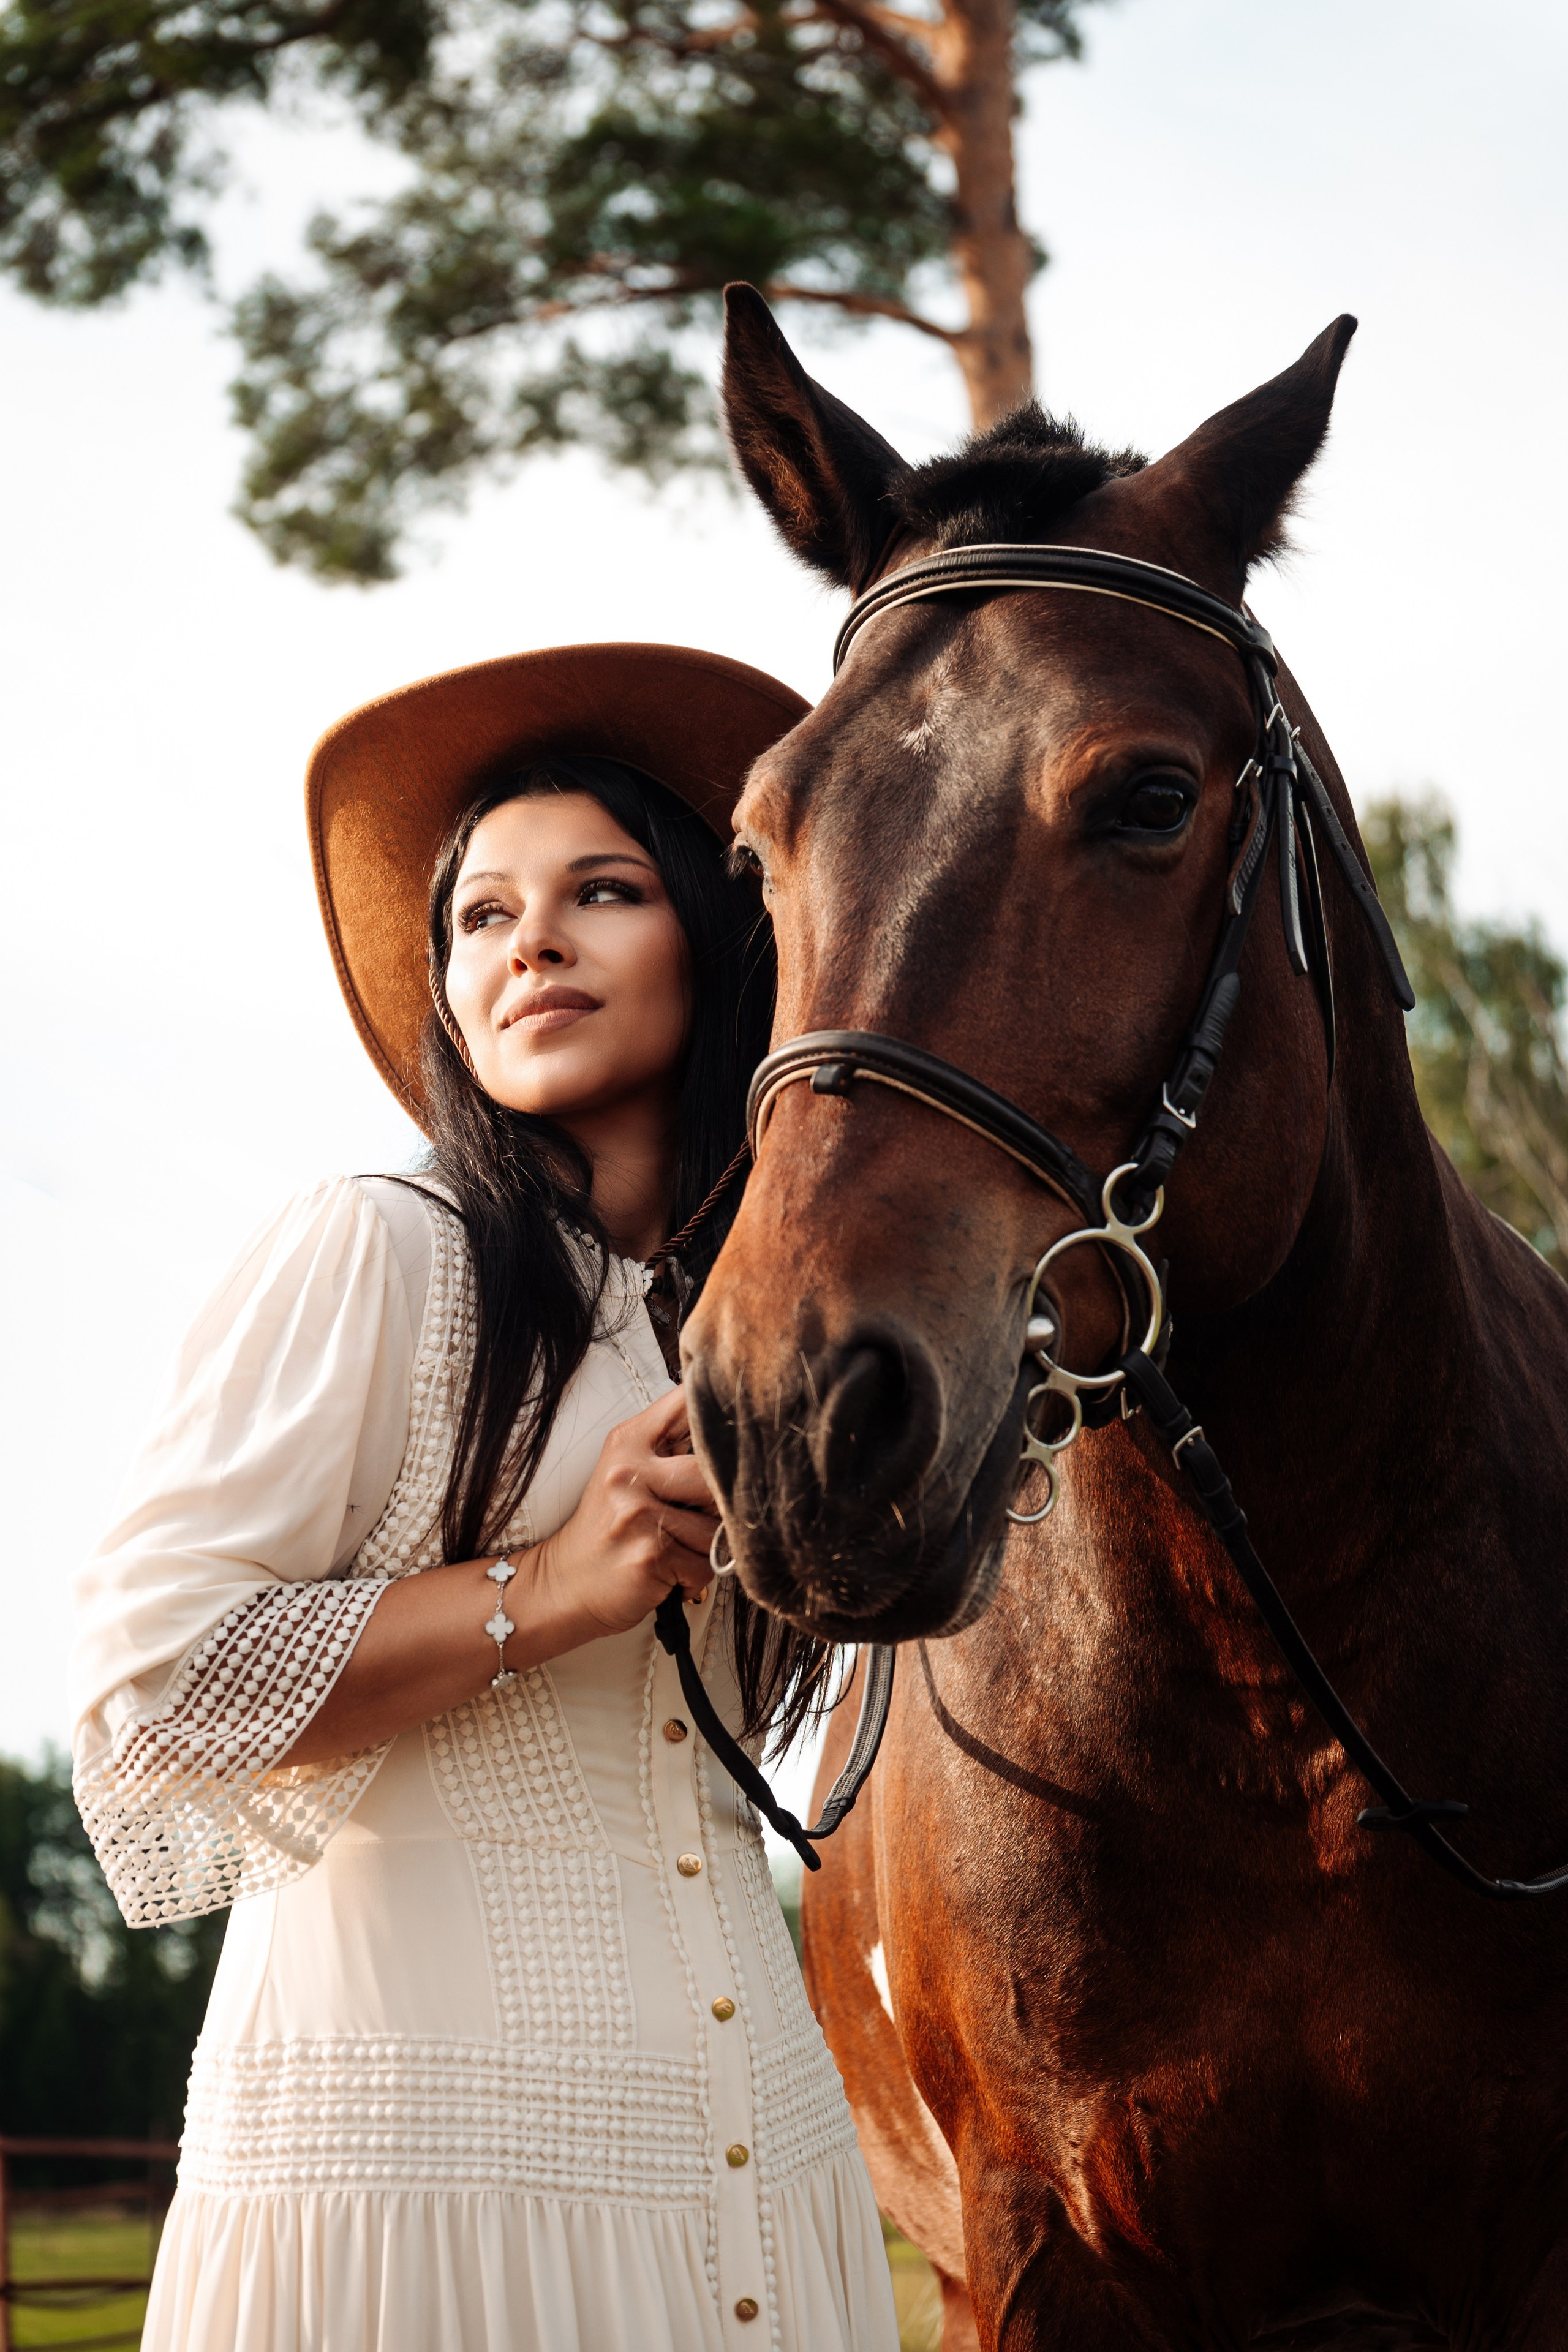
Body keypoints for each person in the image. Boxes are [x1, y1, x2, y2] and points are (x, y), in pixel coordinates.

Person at [70, 644, 901, 2352]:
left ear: (720, 934)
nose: (532, 943)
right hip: (420, 2186)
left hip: (761, 2160)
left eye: (603, 892)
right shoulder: (382, 1248)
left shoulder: (762, 1328)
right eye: (484, 916)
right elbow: (149, 1701)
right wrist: (554, 1587)